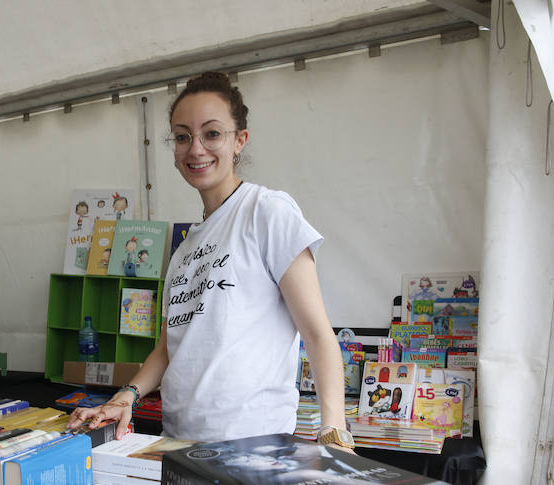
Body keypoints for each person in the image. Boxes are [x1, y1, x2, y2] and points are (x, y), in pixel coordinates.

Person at [68, 72, 351, 451]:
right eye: (182, 136)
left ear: (240, 141)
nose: (195, 149)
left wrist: (334, 433)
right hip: (180, 443)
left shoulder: (265, 211)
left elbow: (318, 335)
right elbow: (168, 348)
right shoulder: (185, 249)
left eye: (212, 133)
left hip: (253, 447)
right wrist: (126, 396)